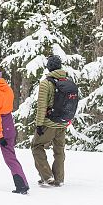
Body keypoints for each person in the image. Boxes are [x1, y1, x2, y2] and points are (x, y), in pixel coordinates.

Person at [31, 55, 71, 187]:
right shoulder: (67, 80)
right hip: (63, 122)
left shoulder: (46, 83)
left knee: (36, 146)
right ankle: (59, 179)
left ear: (49, 67)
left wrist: (39, 124)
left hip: (49, 122)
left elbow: (42, 106)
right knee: (59, 150)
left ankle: (47, 176)